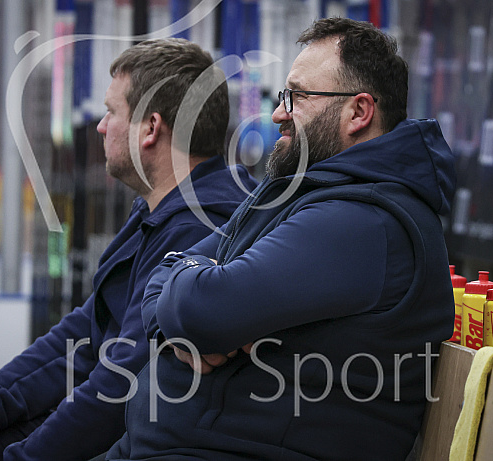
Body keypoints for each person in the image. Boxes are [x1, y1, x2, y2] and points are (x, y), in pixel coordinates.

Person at [103, 17, 457, 461]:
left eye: (297, 96)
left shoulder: (362, 222)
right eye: (281, 96)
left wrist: (193, 308)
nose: (277, 113)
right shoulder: (303, 196)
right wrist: (181, 312)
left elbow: (202, 309)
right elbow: (168, 274)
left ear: (359, 112)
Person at [0, 38, 257, 461]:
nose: (99, 126)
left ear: (150, 128)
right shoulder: (158, 211)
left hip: (143, 437)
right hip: (112, 416)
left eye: (112, 112)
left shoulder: (196, 229)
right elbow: (81, 335)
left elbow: (118, 388)